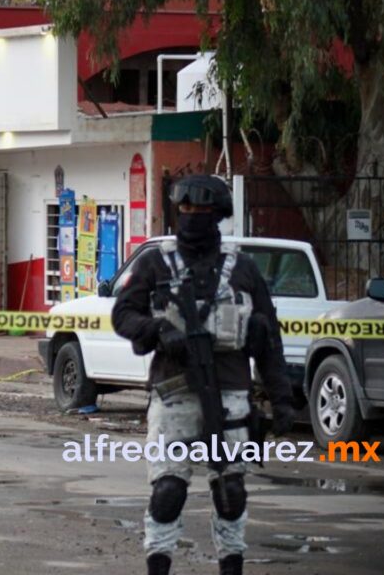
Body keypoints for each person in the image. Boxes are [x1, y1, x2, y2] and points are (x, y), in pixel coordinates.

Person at [111, 175, 295, 575]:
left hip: (230, 392)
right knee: (168, 490)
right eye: (186, 209)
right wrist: (158, 330)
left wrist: (282, 399)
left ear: (219, 215)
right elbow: (122, 314)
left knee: (231, 492)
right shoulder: (155, 263)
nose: (192, 217)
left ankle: (231, 565)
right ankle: (157, 565)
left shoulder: (242, 268)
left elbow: (268, 339)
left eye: (202, 210)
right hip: (173, 391)